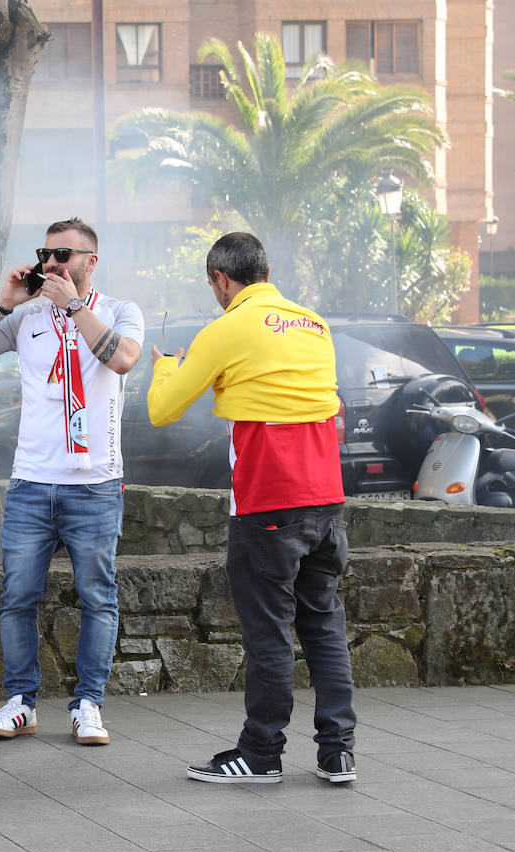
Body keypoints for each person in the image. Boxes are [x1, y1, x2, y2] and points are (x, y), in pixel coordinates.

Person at [146, 231, 357, 785]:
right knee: (324, 627)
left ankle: (261, 754)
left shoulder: (226, 328)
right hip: (327, 501)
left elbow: (164, 411)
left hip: (268, 503)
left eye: (212, 284)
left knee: (268, 634)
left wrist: (167, 366)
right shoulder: (314, 323)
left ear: (221, 279)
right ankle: (338, 753)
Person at [0, 217, 144, 746]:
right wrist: (3, 302)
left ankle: (89, 706)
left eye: (64, 254)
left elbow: (123, 359)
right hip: (32, 483)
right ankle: (20, 703)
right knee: (18, 596)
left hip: (96, 484)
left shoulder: (119, 311)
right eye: (46, 253)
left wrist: (77, 309)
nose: (52, 263)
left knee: (97, 596)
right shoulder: (28, 316)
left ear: (90, 262)